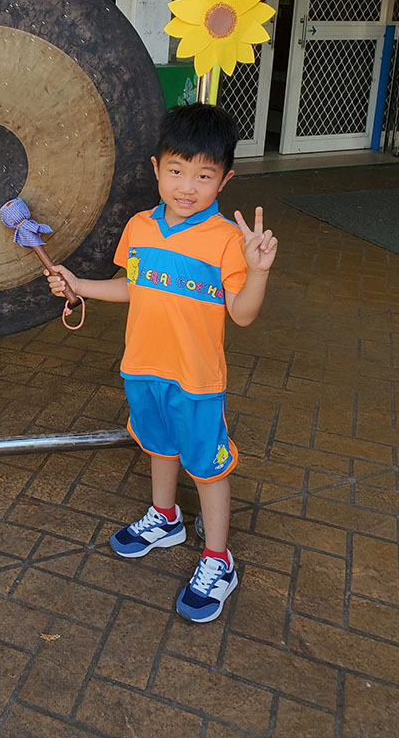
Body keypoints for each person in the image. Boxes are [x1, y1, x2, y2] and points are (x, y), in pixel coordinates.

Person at [45, 103, 277, 622]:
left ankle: (218, 560)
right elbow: (134, 286)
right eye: (176, 171)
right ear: (156, 168)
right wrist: (79, 285)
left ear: (225, 180)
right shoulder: (139, 227)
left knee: (208, 468)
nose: (187, 187)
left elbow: (242, 315)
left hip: (196, 380)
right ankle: (166, 517)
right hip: (142, 367)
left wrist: (258, 271)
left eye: (203, 176)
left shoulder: (228, 242)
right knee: (159, 445)